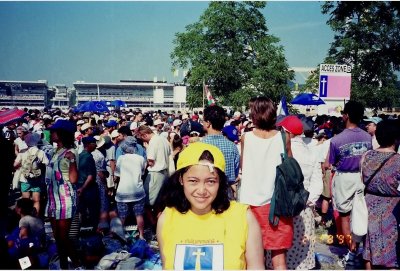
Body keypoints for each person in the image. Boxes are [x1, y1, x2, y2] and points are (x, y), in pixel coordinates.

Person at [156, 142, 264, 269]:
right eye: (193, 181)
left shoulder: (243, 217)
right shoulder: (167, 218)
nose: (201, 190)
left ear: (220, 182)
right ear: (181, 180)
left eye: (210, 181)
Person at [238, 96, 292, 269]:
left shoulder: (246, 137)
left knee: (254, 259)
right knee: (279, 260)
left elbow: (243, 166)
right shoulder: (284, 137)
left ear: (254, 114)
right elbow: (291, 168)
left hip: (251, 205)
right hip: (278, 205)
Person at [276, 115, 323, 270]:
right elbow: (318, 183)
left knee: (281, 254)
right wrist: (306, 201)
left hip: (283, 209)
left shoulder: (280, 152)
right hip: (304, 209)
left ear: (285, 131)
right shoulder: (312, 152)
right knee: (302, 253)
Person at [329, 101, 372, 255]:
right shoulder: (368, 137)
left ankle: (350, 251)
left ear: (346, 115)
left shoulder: (336, 140)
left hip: (344, 178)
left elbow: (332, 162)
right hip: (362, 177)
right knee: (360, 214)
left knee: (344, 216)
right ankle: (359, 247)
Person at [361, 120, 400, 269]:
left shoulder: (367, 156)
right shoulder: (398, 160)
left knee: (369, 244)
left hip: (369, 203)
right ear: (397, 138)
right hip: (393, 208)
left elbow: (362, 180)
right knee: (392, 250)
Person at [45, 119, 82, 269]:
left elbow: (73, 179)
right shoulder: (56, 152)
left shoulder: (70, 153)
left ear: (61, 134)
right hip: (53, 198)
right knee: (58, 237)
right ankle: (63, 265)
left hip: (65, 199)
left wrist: (72, 161)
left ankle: (77, 263)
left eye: (53, 131)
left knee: (63, 237)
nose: (51, 133)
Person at [202, 105, 240, 199]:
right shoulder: (232, 146)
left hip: (206, 195)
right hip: (227, 194)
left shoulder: (200, 145)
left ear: (208, 123)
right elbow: (234, 174)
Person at [114, 136, 146, 239]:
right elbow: (142, 173)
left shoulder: (121, 159)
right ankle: (141, 235)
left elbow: (117, 175)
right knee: (139, 215)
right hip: (138, 191)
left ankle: (120, 236)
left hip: (123, 191)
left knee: (122, 216)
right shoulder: (141, 159)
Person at [14, 132, 49, 217]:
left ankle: (25, 218)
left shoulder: (22, 152)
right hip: (37, 179)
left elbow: (15, 165)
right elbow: (47, 164)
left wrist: (21, 165)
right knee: (36, 200)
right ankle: (35, 217)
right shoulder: (40, 152)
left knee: (25, 200)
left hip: (24, 179)